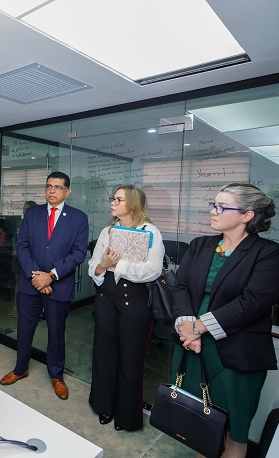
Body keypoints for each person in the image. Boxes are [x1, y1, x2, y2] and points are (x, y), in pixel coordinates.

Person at [172, 183, 279, 458]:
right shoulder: (200, 245)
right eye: (213, 205)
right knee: (199, 424)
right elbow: (180, 286)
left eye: (222, 207)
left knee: (234, 430)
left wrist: (198, 327)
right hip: (191, 347)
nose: (213, 211)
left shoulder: (269, 254)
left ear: (247, 215)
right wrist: (188, 328)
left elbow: (252, 302)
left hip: (235, 354)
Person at [0, 172, 89, 401]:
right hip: (30, 285)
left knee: (56, 333)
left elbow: (78, 253)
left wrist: (50, 276)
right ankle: (20, 368)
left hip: (59, 286)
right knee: (24, 329)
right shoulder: (32, 214)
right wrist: (36, 277)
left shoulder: (78, 218)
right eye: (49, 186)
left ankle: (56, 375)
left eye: (58, 187)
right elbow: (22, 246)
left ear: (67, 191)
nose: (52, 191)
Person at [87, 184, 164, 431]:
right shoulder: (107, 231)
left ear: (132, 203)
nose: (112, 202)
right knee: (103, 355)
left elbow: (152, 270)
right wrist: (102, 266)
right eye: (113, 198)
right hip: (105, 300)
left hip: (136, 303)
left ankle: (127, 416)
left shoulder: (150, 231)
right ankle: (104, 406)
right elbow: (93, 264)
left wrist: (116, 265)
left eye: (118, 199)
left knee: (131, 359)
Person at [9, 201, 38, 317]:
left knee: (29, 283)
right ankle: (16, 307)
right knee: (17, 281)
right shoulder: (20, 222)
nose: (24, 211)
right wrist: (15, 250)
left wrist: (22, 253)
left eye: (27, 209)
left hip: (28, 259)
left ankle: (27, 309)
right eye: (23, 209)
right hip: (17, 258)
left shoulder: (37, 224)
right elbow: (14, 238)